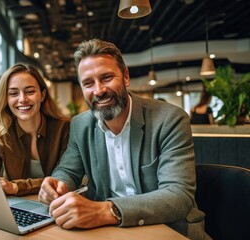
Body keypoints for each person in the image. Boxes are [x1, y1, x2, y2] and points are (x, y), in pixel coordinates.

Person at [38, 39, 210, 240]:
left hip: (170, 229)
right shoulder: (80, 124)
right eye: (88, 83)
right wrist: (57, 185)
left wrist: (107, 211)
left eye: (107, 77)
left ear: (126, 76)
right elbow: (68, 170)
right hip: (109, 232)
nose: (99, 90)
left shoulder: (169, 119)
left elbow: (178, 196)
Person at [0, 63, 70, 196]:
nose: (22, 99)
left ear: (42, 95)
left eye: (30, 91)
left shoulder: (65, 129)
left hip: (57, 202)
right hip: (18, 206)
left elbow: (65, 179)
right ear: (6, 99)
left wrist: (16, 187)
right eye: (13, 93)